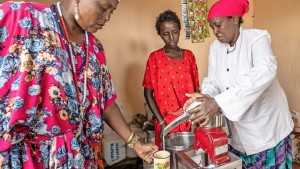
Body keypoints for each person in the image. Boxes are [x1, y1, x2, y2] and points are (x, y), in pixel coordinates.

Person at [0, 0, 158, 168]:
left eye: (112, 11)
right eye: (104, 8)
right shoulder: (22, 16)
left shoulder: (95, 48)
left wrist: (137, 145)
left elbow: (107, 104)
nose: (107, 17)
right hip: (27, 157)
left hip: (77, 157)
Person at [183, 0, 294, 168]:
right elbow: (213, 82)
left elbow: (265, 70)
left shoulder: (257, 38)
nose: (215, 32)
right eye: (212, 27)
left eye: (218, 26)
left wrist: (217, 102)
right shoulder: (215, 48)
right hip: (238, 131)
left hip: (266, 126)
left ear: (234, 19)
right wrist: (206, 96)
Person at [143, 10, 200, 149]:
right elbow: (147, 94)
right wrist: (161, 123)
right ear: (160, 34)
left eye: (174, 32)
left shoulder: (189, 56)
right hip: (166, 122)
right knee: (167, 160)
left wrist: (197, 118)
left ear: (180, 30)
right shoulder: (154, 58)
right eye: (165, 34)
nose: (171, 38)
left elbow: (197, 91)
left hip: (189, 119)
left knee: (190, 158)